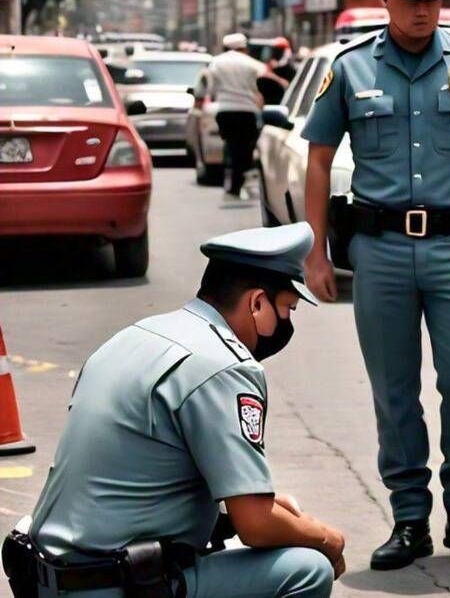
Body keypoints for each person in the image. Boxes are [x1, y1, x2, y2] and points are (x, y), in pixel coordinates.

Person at [300, 0, 450, 572]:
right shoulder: (349, 67)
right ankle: (408, 519)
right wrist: (316, 251)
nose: (423, 11)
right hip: (381, 252)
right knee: (394, 391)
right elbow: (319, 159)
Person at [2, 223, 346, 598]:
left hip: (49, 575)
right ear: (257, 303)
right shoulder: (226, 366)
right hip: (114, 584)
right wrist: (327, 538)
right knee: (307, 569)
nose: (287, 324)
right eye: (287, 309)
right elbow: (257, 525)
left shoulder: (137, 336)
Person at [206, 32, 288, 198]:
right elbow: (266, 77)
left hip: (225, 110)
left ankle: (232, 179)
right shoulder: (251, 63)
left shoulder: (215, 63)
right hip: (246, 111)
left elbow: (208, 85)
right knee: (245, 147)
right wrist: (282, 83)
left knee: (230, 145)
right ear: (244, 48)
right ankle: (238, 178)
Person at [258, 37, 298, 107]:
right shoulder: (265, 69)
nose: (276, 53)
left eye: (279, 51)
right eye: (275, 50)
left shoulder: (290, 70)